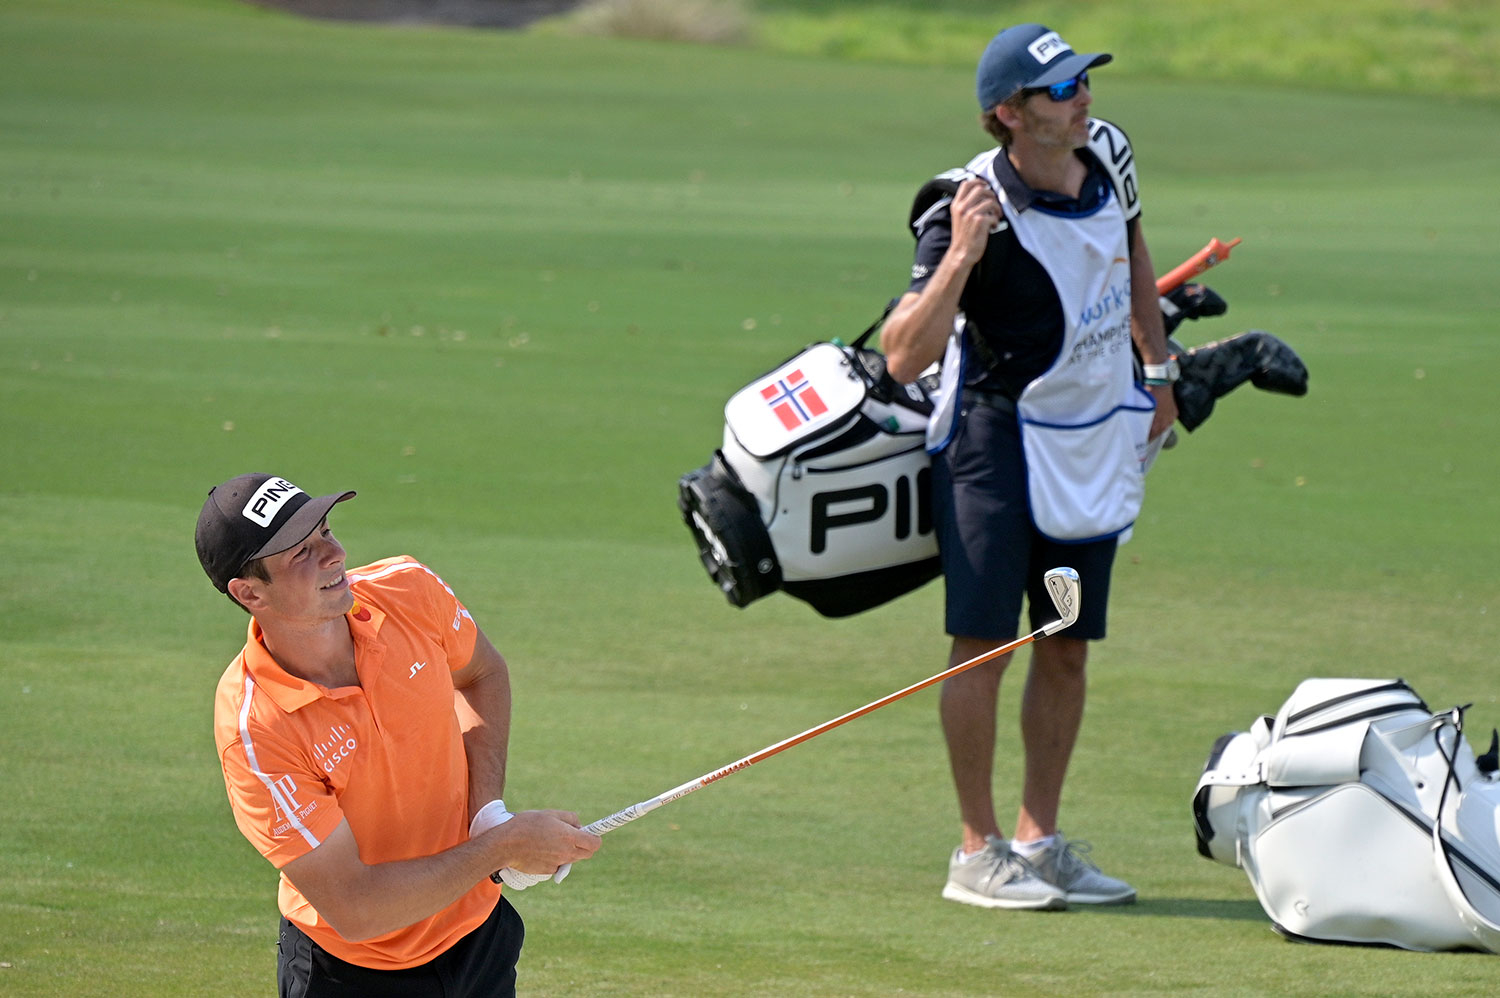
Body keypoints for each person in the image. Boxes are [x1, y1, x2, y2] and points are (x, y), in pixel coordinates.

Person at [880, 24, 1179, 911]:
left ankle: (1039, 840)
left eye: (1083, 82)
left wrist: (1157, 368)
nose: (1082, 98)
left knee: (1065, 644)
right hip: (993, 452)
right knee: (981, 651)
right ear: (1008, 115)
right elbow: (903, 354)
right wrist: (964, 257)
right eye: (1060, 91)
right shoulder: (964, 207)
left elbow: (1132, 253)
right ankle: (977, 852)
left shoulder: (1107, 153)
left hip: (1085, 452)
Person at [195, 472, 599, 996]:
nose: (333, 554)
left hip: (479, 939)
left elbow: (482, 674)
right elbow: (358, 909)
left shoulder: (407, 590)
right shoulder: (255, 726)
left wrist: (487, 813)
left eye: (325, 530)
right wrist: (504, 845)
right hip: (353, 973)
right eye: (300, 553)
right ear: (250, 592)